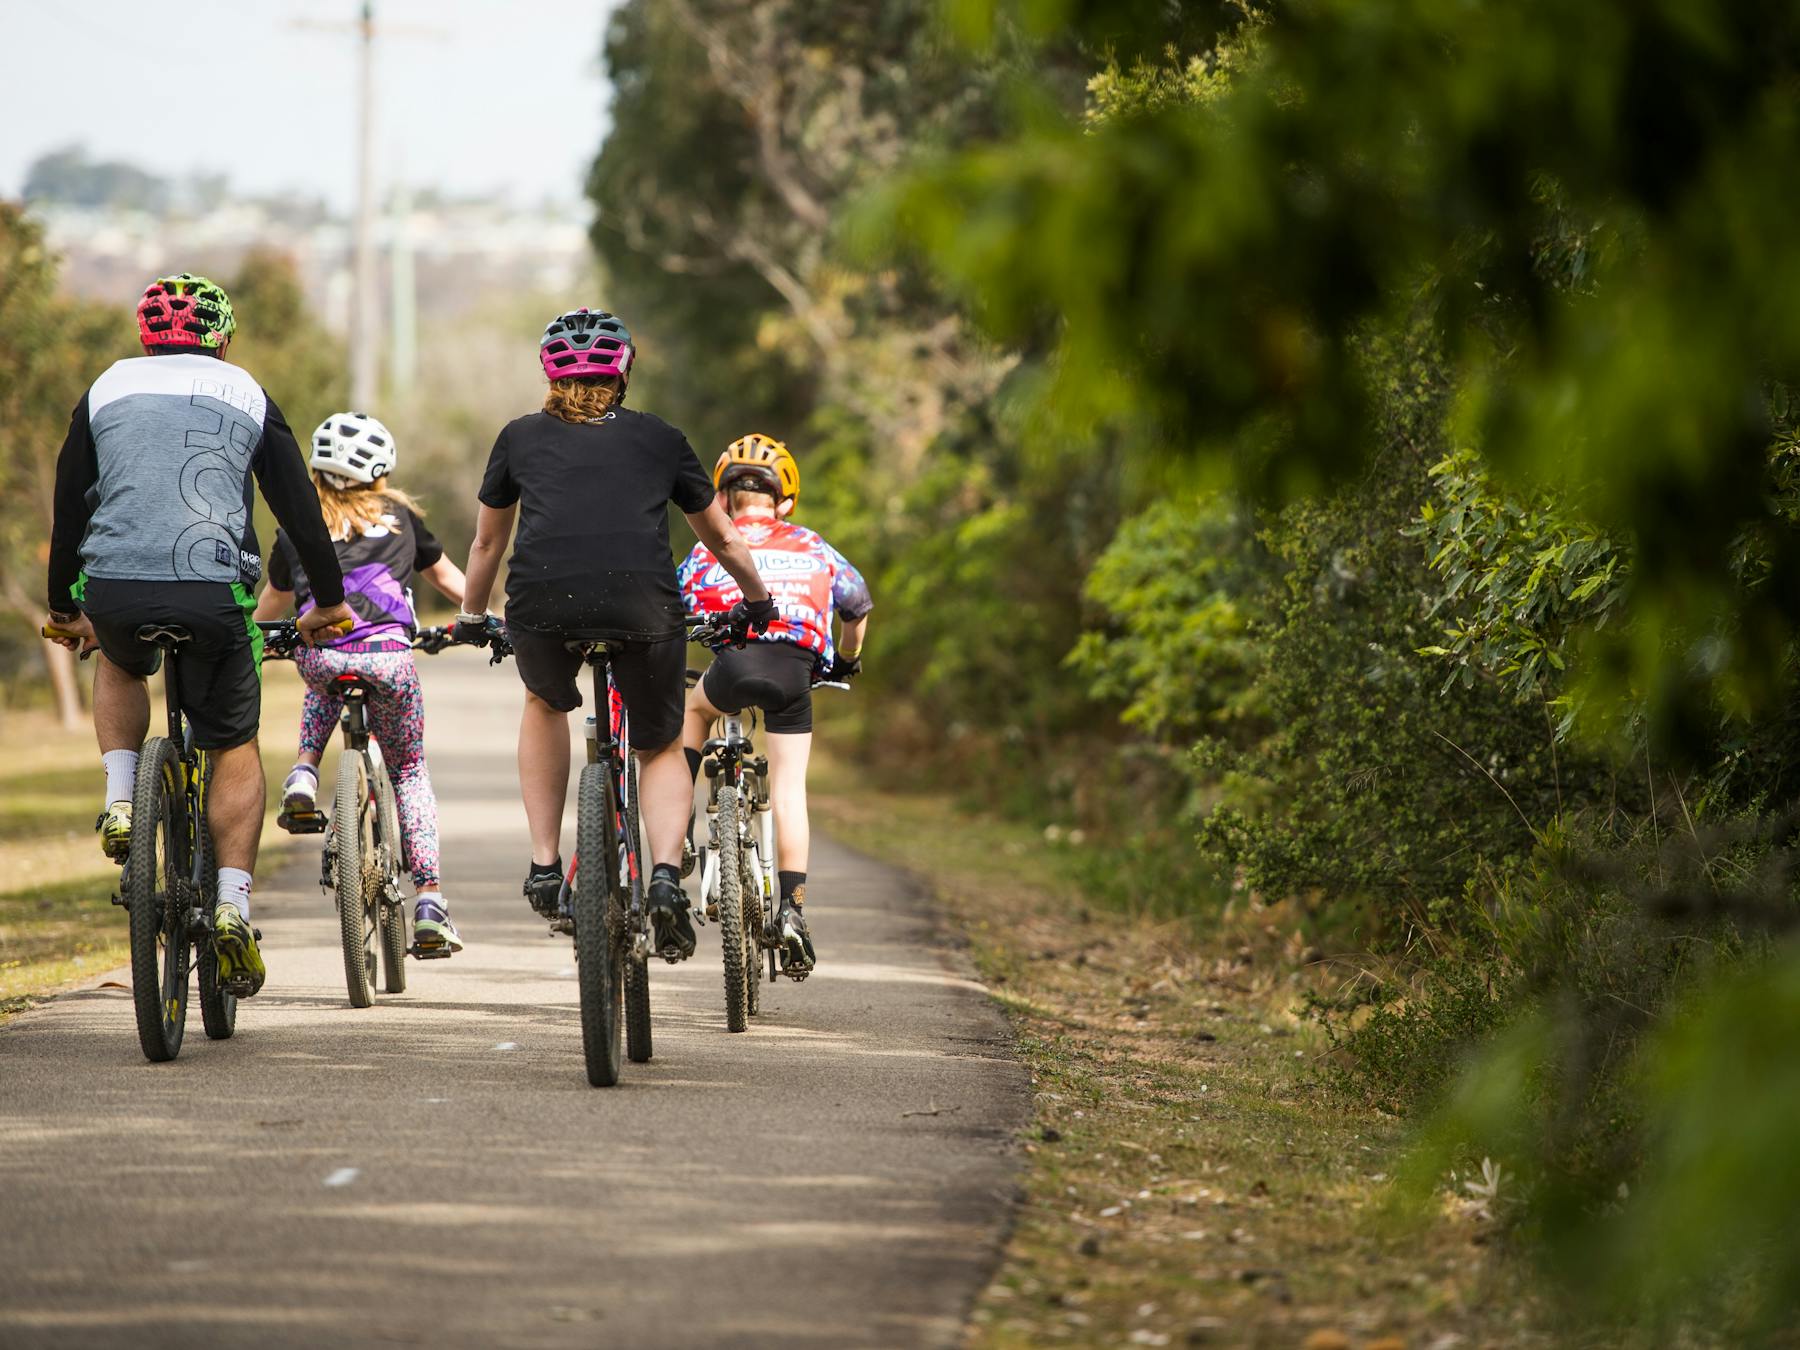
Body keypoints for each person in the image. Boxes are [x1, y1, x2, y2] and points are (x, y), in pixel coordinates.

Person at [44, 272, 353, 996]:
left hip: (115, 586)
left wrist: (66, 607)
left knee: (118, 658)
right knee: (232, 743)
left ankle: (122, 796)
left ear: (146, 336)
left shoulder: (105, 387)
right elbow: (297, 507)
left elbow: (68, 505)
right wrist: (328, 601)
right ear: (222, 337)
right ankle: (233, 907)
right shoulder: (247, 391)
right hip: (214, 592)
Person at [455, 308, 776, 961]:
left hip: (542, 606)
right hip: (643, 608)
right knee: (660, 745)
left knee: (544, 702)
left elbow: (489, 539)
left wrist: (469, 614)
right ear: (624, 371)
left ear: (548, 372)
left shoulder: (518, 438)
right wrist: (757, 598)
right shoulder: (661, 438)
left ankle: (546, 864)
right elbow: (720, 535)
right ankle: (663, 878)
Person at [252, 411, 470, 955]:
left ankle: (304, 772)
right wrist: (481, 619)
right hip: (391, 660)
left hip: (325, 656)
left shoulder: (296, 524)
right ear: (379, 471)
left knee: (321, 673)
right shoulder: (400, 516)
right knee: (410, 770)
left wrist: (256, 641)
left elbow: (271, 606)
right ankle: (431, 903)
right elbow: (448, 579)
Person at [677, 434, 872, 975]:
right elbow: (856, 605)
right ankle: (791, 909)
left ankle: (680, 829)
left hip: (732, 667)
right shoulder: (813, 545)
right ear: (785, 500)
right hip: (794, 674)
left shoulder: (707, 547)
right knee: (788, 789)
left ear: (722, 498)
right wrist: (847, 660)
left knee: (695, 712)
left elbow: (674, 608)